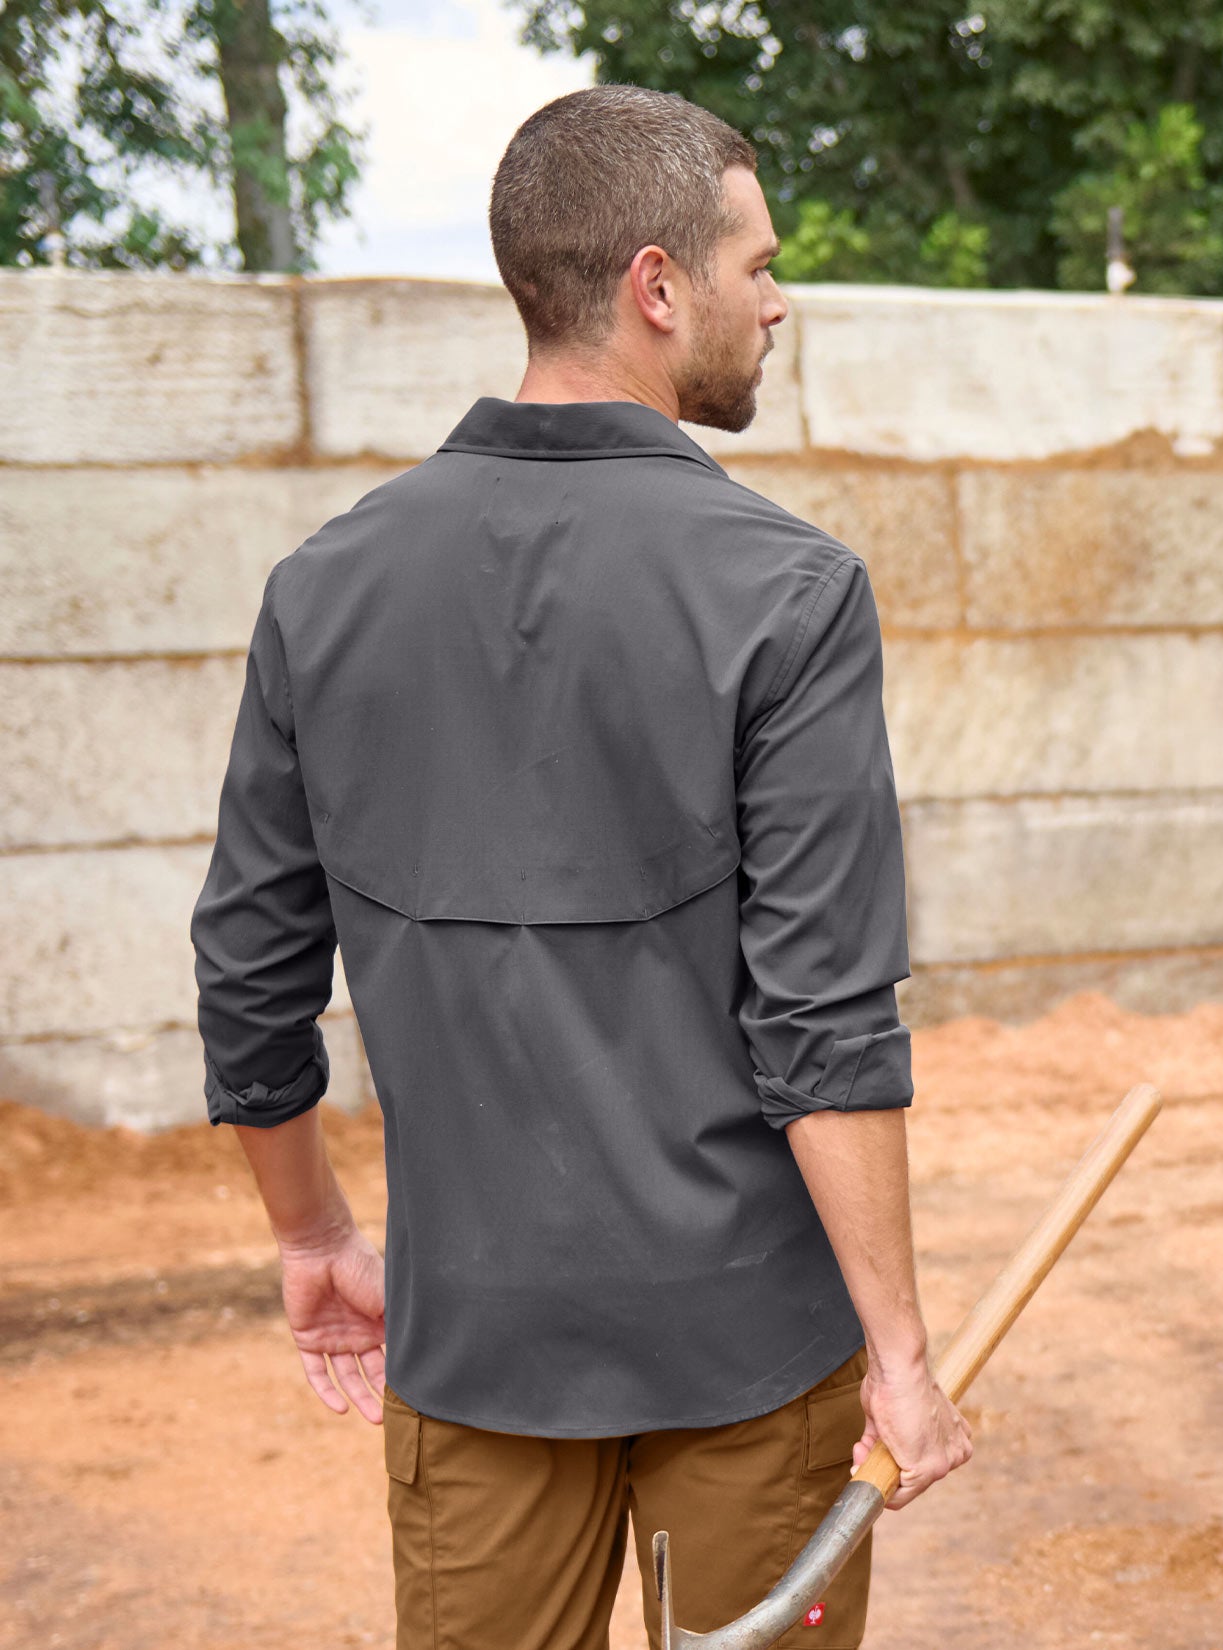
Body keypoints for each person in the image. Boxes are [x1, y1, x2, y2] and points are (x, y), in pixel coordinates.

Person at [189, 83, 971, 1650]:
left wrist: (311, 1238)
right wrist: (898, 1343)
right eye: (756, 261)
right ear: (656, 286)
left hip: (477, 1348)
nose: (778, 297)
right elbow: (822, 1021)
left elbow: (248, 973)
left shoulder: (324, 586)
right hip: (755, 1352)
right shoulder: (790, 593)